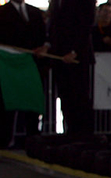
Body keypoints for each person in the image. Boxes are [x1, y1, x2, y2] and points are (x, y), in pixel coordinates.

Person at [0, 0, 47, 147]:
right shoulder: (2, 12)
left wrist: (44, 47)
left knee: (31, 101)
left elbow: (43, 36)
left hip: (31, 64)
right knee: (8, 103)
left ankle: (33, 138)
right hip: (8, 64)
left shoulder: (35, 12)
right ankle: (5, 139)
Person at [46, 0, 96, 137]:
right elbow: (54, 25)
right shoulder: (56, 2)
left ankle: (84, 133)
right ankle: (71, 130)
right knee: (65, 95)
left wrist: (75, 51)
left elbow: (86, 26)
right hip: (59, 55)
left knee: (79, 95)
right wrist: (48, 44)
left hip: (77, 57)